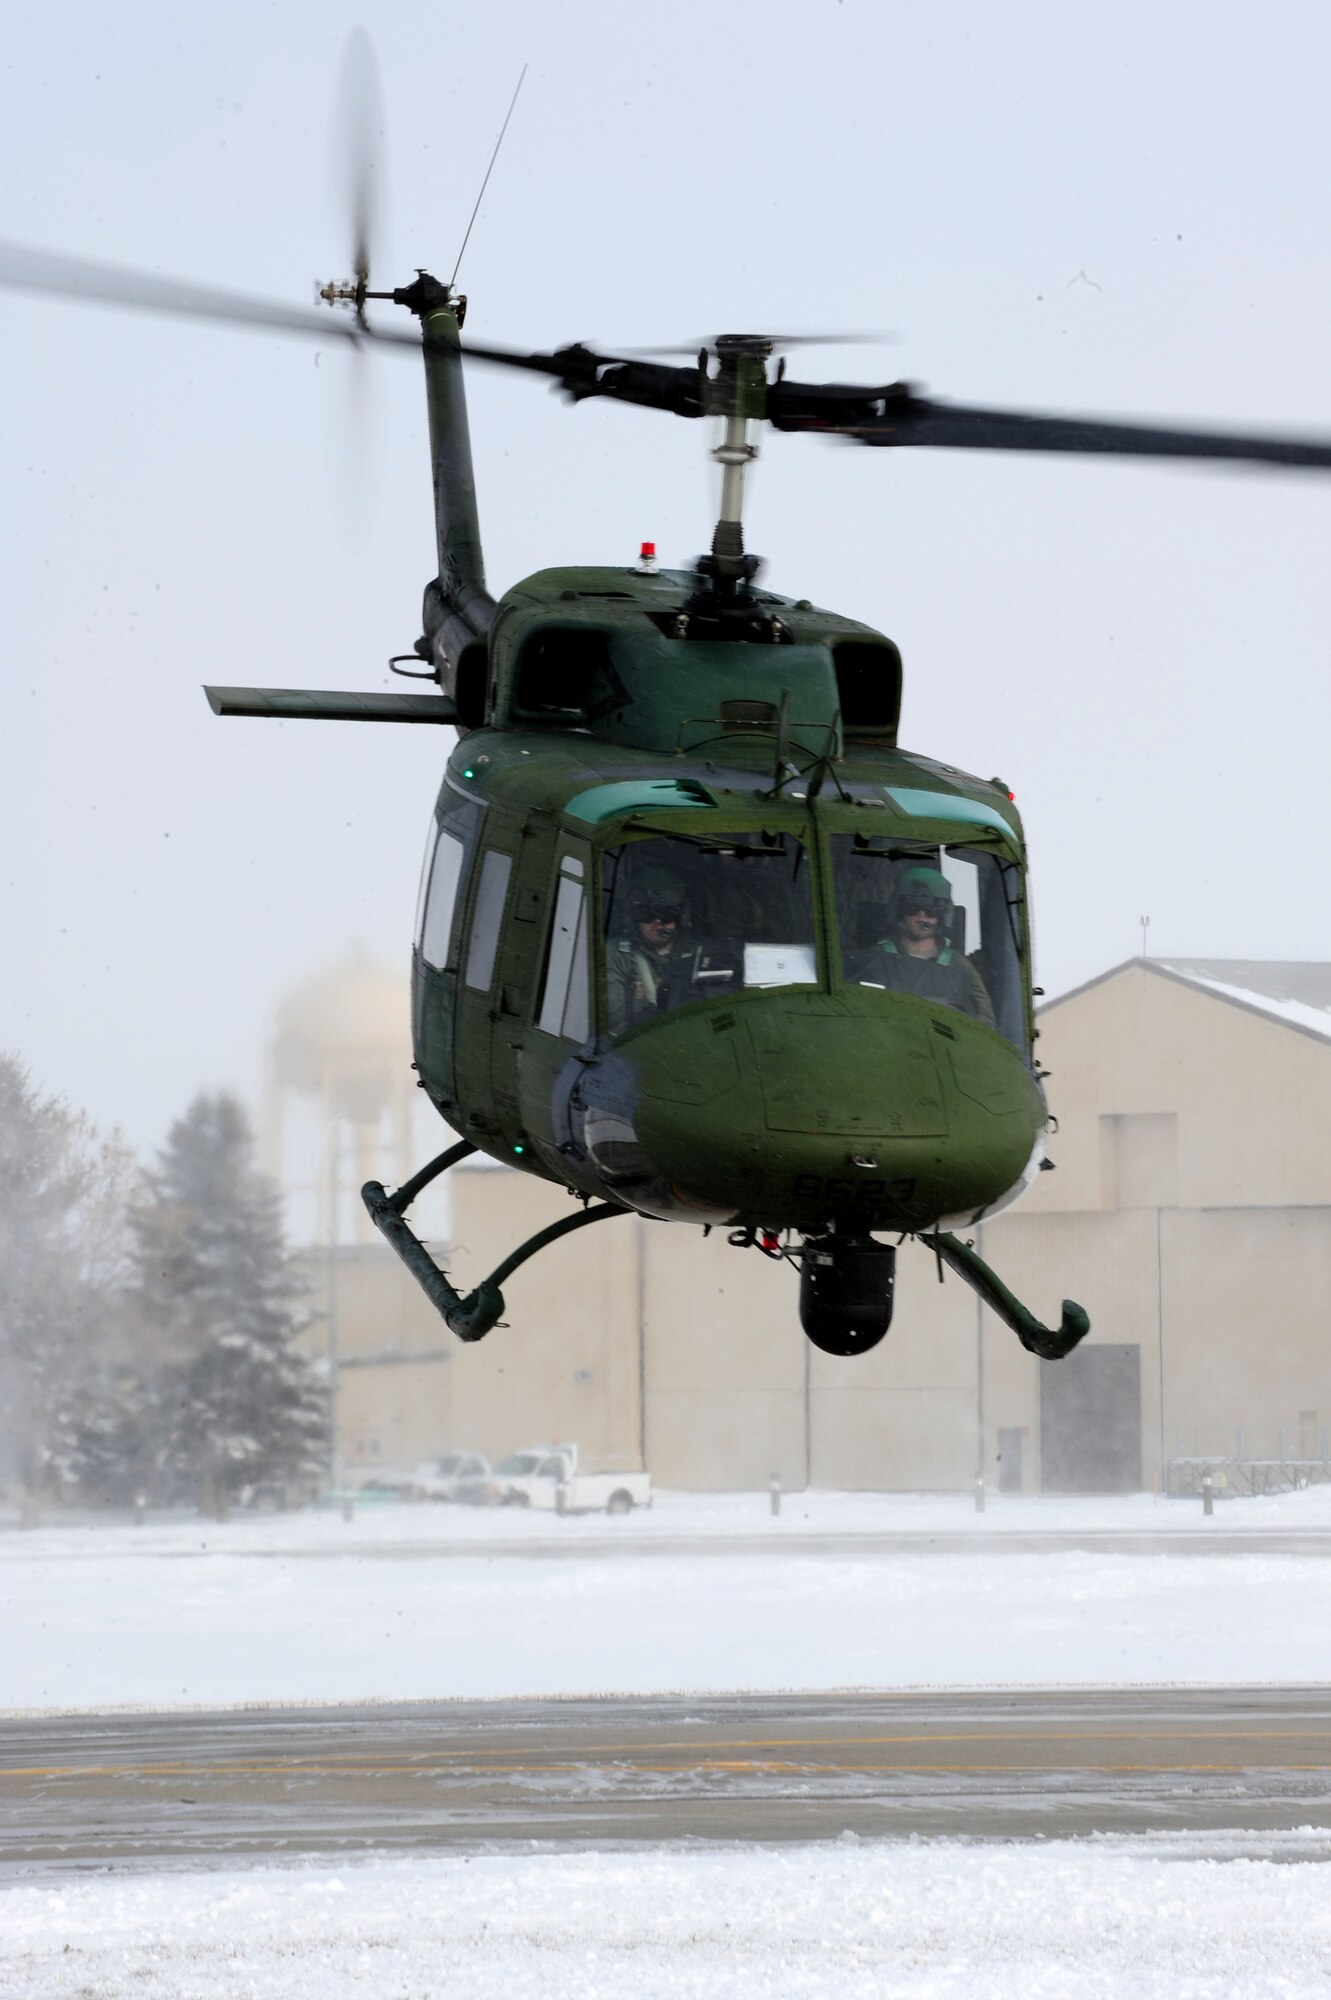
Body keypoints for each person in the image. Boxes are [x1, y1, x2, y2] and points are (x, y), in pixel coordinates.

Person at [858, 865, 995, 1024]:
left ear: (943, 913)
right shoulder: (875, 960)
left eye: (932, 908)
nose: (922, 915)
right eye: (913, 907)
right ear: (899, 909)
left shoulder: (960, 968)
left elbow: (984, 1023)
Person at [605, 866, 696, 1032]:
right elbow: (613, 1011)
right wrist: (655, 1011)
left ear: (681, 916)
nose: (657, 922)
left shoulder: (698, 956)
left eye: (667, 913)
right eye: (646, 913)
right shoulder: (617, 953)